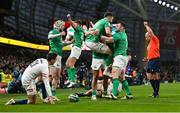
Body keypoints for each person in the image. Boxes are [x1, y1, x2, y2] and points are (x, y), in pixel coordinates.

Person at [101, 22, 133, 99]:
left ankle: (114, 94)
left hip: (119, 57)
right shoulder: (124, 35)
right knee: (122, 77)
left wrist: (99, 36)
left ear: (122, 28)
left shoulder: (119, 34)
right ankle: (128, 94)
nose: (116, 27)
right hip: (123, 57)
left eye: (117, 26)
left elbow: (109, 40)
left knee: (115, 75)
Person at [87, 12, 114, 100]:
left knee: (105, 76)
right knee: (95, 75)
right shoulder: (106, 24)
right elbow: (108, 34)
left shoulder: (99, 25)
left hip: (104, 56)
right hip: (97, 56)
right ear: (110, 18)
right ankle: (94, 94)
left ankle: (105, 92)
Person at [48, 20, 73, 100]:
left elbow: (61, 44)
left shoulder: (59, 35)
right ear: (58, 25)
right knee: (51, 76)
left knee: (57, 76)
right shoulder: (54, 31)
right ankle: (43, 91)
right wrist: (60, 34)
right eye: (62, 25)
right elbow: (49, 37)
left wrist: (71, 42)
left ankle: (53, 94)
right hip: (53, 54)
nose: (63, 27)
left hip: (59, 56)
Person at [65, 14, 84, 88]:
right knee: (67, 64)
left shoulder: (78, 28)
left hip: (77, 48)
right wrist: (70, 42)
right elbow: (74, 39)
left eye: (75, 23)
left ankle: (73, 81)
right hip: (75, 47)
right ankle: (70, 79)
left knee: (71, 64)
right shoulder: (79, 31)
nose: (74, 24)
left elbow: (72, 24)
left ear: (78, 24)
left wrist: (69, 18)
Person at [143, 21, 160, 98]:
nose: (145, 37)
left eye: (146, 36)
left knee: (154, 76)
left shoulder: (155, 39)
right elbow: (151, 52)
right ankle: (155, 92)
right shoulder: (150, 44)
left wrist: (146, 25)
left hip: (155, 60)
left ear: (150, 35)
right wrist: (147, 58)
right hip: (150, 61)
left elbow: (150, 31)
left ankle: (156, 92)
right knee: (149, 76)